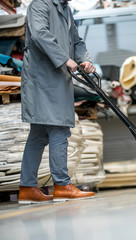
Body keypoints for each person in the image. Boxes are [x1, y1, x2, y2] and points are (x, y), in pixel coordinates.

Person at [18, 0, 96, 204]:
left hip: (57, 77)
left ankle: (27, 188)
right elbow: (39, 34)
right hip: (42, 78)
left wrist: (84, 59)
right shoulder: (39, 5)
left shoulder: (65, 9)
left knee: (39, 134)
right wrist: (65, 59)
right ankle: (62, 186)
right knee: (59, 128)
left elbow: (76, 41)